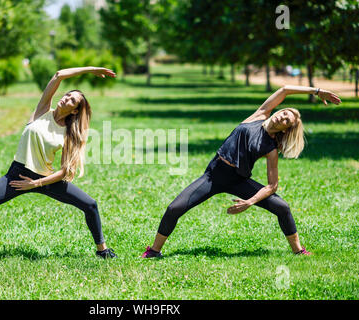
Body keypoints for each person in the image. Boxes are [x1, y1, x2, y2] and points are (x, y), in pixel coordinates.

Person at [142, 85, 341, 258]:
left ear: (284, 129)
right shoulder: (259, 115)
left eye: (286, 120)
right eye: (284, 112)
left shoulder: (271, 148)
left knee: (282, 207)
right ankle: (154, 251)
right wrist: (317, 91)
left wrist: (250, 202)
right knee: (174, 208)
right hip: (214, 175)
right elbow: (285, 90)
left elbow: (273, 186)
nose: (282, 116)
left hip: (237, 180)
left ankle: (298, 250)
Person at [0, 67, 118, 260]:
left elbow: (65, 171)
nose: (66, 98)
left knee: (90, 205)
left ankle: (102, 250)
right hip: (17, 175)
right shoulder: (42, 111)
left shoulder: (70, 133)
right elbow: (58, 75)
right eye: (67, 95)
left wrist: (35, 184)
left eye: (73, 100)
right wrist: (91, 70)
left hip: (45, 180)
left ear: (75, 110)